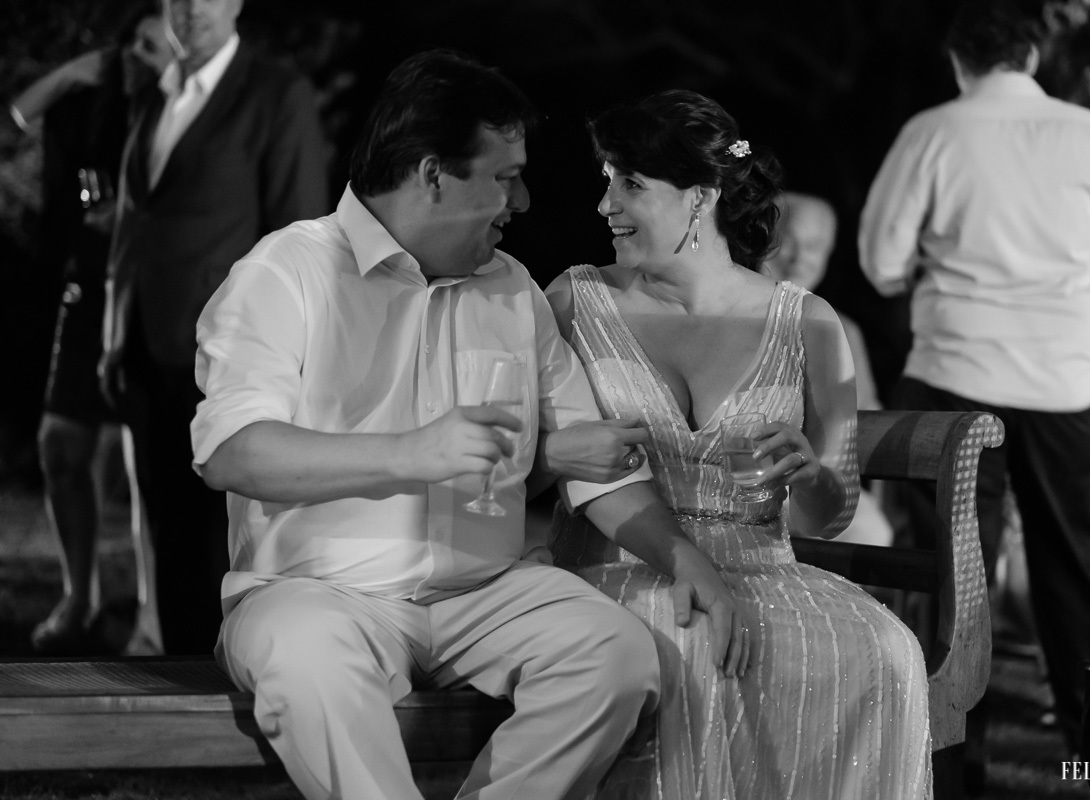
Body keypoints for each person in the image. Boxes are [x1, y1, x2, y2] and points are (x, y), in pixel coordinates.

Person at [191, 50, 747, 800]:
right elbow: (232, 452)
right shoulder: (284, 272)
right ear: (432, 175)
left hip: (484, 593)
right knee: (306, 663)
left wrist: (684, 560)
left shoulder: (510, 287)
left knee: (615, 655)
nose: (522, 200)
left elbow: (600, 468)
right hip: (314, 593)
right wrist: (411, 454)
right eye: (504, 176)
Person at [546, 90, 932, 800]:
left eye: (630, 183)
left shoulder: (808, 323)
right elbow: (537, 459)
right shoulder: (574, 301)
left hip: (765, 572)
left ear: (701, 196)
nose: (605, 204)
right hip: (616, 568)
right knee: (691, 643)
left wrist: (809, 476)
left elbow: (828, 518)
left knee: (890, 651)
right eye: (606, 180)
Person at [857, 0, 1090, 757]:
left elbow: (881, 263)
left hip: (955, 369)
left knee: (953, 569)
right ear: (1033, 56)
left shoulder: (933, 132)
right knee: (1072, 562)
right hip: (1065, 378)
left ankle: (951, 753)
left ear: (958, 60)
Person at [102, 0, 329, 654]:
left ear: (236, 3)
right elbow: (134, 225)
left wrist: (294, 357)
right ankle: (177, 686)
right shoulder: (153, 94)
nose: (192, 8)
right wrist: (113, 337)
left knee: (218, 545)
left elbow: (299, 235)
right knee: (167, 537)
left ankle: (228, 688)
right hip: (144, 350)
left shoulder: (276, 94)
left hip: (226, 358)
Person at [9, 2, 172, 655]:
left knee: (144, 463)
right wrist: (80, 68)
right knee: (60, 447)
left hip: (152, 299)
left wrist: (130, 220)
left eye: (154, 47)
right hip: (87, 292)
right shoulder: (94, 109)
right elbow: (19, 113)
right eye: (133, 43)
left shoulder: (184, 118)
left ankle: (157, 620)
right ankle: (81, 597)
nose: (139, 56)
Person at [760, 191, 893, 547]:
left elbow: (868, 417)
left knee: (873, 533)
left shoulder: (843, 329)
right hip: (747, 476)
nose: (799, 258)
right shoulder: (735, 314)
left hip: (817, 484)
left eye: (815, 247)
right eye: (789, 242)